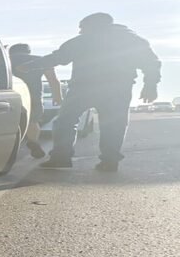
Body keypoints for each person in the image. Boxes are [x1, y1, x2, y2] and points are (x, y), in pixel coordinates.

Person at [21, 12, 161, 172]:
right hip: (118, 89)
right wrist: (150, 85)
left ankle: (61, 156)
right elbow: (151, 63)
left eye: (82, 28)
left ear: (92, 26)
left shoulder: (82, 41)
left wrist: (29, 66)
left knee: (65, 121)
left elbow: (58, 57)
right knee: (114, 125)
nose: (80, 32)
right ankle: (110, 161)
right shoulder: (134, 40)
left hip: (83, 88)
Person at [8, 43, 63, 158]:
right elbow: (53, 80)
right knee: (32, 121)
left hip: (8, 96)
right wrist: (57, 96)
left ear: (11, 52)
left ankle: (8, 146)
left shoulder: (6, 60)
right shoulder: (39, 60)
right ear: (28, 51)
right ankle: (33, 142)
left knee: (8, 121)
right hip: (32, 95)